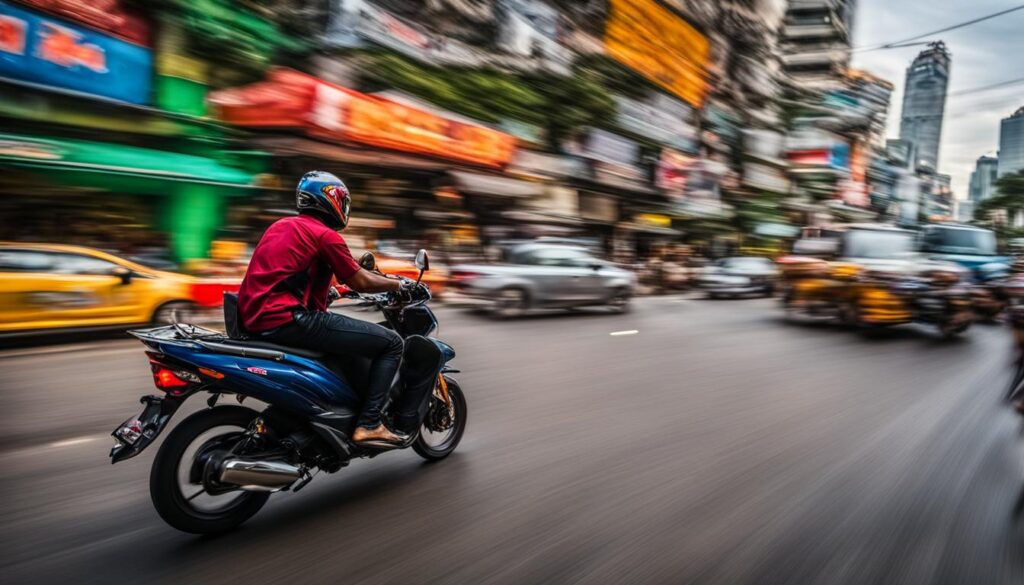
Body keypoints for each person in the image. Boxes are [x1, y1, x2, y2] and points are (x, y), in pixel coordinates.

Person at [238, 171, 415, 447]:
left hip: (255, 319)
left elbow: (288, 274)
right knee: (392, 343)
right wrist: (398, 285)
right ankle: (370, 423)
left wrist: (334, 291)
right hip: (291, 320)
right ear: (332, 200)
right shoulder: (325, 235)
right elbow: (361, 279)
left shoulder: (280, 226)